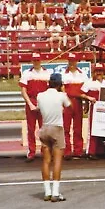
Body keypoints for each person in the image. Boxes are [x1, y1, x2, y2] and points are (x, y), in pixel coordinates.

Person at [37, 73, 71, 202]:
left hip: (45, 127)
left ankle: (47, 191)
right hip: (57, 128)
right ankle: (55, 192)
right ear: (60, 84)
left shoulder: (40, 96)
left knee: (46, 161)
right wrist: (64, 92)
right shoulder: (61, 95)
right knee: (57, 161)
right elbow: (70, 106)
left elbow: (39, 109)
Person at [19, 53, 50, 162]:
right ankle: (31, 152)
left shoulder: (47, 73)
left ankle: (44, 151)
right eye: (34, 60)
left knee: (44, 128)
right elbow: (23, 91)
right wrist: (30, 104)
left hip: (43, 101)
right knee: (31, 128)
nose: (36, 62)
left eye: (38, 60)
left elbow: (51, 90)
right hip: (31, 100)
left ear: (40, 60)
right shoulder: (27, 73)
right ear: (32, 61)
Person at [62, 52, 89, 160]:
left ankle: (78, 150)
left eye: (73, 61)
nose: (71, 63)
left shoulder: (82, 74)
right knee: (66, 128)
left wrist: (86, 102)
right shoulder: (64, 73)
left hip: (78, 101)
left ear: (77, 61)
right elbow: (62, 89)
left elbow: (86, 90)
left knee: (78, 127)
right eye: (70, 61)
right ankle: (67, 151)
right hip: (67, 101)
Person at [80, 63, 105, 160]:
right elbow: (81, 94)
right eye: (97, 71)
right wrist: (88, 98)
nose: (99, 73)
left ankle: (100, 151)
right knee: (92, 129)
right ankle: (90, 151)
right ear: (94, 72)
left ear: (104, 72)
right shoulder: (89, 82)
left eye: (101, 71)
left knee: (101, 129)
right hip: (94, 108)